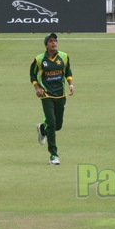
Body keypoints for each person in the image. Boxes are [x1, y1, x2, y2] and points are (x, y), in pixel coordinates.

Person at [30, 33, 73, 165]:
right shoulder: (39, 59)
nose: (54, 43)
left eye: (55, 41)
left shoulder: (64, 57)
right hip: (46, 94)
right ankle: (54, 155)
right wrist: (37, 88)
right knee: (52, 123)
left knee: (57, 125)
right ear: (46, 45)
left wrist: (70, 83)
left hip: (61, 94)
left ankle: (42, 129)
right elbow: (32, 75)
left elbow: (67, 71)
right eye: (51, 41)